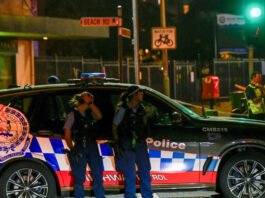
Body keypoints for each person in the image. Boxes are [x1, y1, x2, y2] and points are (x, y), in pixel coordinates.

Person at [112, 85, 153, 198]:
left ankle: (147, 195)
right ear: (134, 95)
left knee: (145, 172)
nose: (142, 94)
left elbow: (144, 125)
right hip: (127, 143)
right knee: (130, 175)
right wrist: (117, 143)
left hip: (140, 143)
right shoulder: (122, 109)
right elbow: (114, 127)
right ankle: (130, 196)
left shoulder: (141, 108)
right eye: (140, 92)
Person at [64, 91, 105, 198]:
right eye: (89, 98)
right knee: (79, 177)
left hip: (92, 145)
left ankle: (100, 196)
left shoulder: (89, 113)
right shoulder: (72, 115)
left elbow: (99, 116)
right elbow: (67, 134)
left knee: (97, 174)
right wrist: (72, 149)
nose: (91, 100)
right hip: (80, 146)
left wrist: (90, 104)